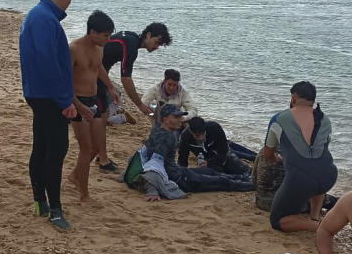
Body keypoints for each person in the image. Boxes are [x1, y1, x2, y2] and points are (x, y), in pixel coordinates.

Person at [19, 0, 77, 230]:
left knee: (41, 147)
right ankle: (55, 208)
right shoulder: (44, 18)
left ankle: (39, 201)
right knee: (55, 150)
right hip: (47, 95)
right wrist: (65, 100)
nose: (70, 4)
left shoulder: (39, 14)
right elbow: (47, 60)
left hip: (39, 92)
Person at [94, 23, 173, 172]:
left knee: (101, 117)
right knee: (100, 119)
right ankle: (102, 160)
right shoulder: (130, 45)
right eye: (157, 42)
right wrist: (140, 105)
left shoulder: (130, 38)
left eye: (160, 45)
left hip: (97, 74)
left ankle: (101, 156)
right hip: (92, 74)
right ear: (148, 35)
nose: (156, 47)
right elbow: (126, 78)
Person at [263, 81, 337, 232]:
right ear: (313, 100)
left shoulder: (279, 119)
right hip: (329, 175)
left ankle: (318, 227)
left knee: (277, 220)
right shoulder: (325, 120)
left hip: (300, 179)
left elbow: (268, 153)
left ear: (293, 98)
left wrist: (277, 160)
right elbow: (322, 151)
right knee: (317, 168)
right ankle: (315, 215)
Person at [137, 105, 252, 201]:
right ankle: (256, 185)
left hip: (181, 172)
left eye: (181, 116)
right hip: (181, 180)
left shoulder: (161, 132)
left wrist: (125, 175)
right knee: (223, 182)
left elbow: (142, 155)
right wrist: (152, 190)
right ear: (166, 119)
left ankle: (245, 176)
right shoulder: (168, 138)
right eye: (176, 117)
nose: (181, 120)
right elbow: (153, 165)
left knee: (211, 172)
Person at [68, 10, 119, 203]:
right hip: (77, 101)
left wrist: (111, 87)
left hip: (94, 98)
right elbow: (63, 80)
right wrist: (78, 105)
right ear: (92, 32)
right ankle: (84, 194)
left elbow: (98, 69)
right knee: (86, 147)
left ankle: (74, 176)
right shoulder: (74, 48)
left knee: (97, 147)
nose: (108, 39)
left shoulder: (100, 49)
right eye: (105, 35)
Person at [178, 117, 250, 175]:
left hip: (222, 156)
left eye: (203, 133)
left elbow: (224, 151)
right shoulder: (185, 137)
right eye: (197, 135)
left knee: (245, 170)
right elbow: (182, 160)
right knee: (221, 176)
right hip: (205, 161)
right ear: (191, 132)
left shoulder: (214, 128)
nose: (201, 138)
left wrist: (209, 162)